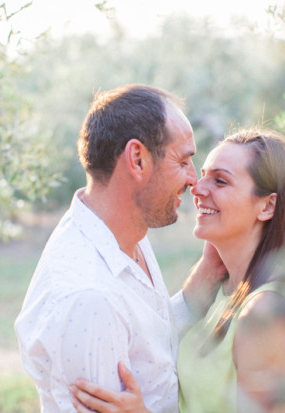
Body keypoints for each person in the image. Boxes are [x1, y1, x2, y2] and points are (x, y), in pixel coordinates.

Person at [70, 129, 285, 413]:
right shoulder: (227, 288)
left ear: (267, 206)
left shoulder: (266, 312)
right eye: (203, 175)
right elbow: (161, 337)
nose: (197, 188)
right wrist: (208, 270)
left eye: (220, 181)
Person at [14, 84, 226, 413]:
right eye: (183, 161)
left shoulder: (125, 230)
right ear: (137, 159)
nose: (193, 180)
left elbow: (151, 346)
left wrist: (209, 273)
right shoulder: (89, 298)